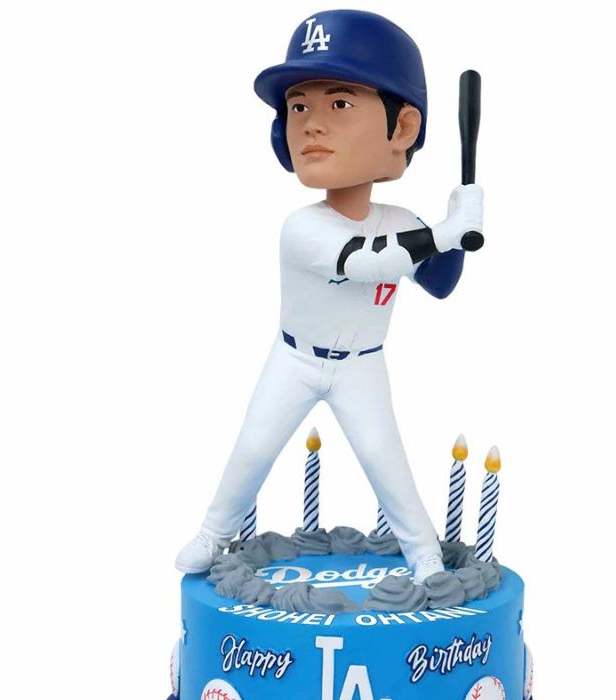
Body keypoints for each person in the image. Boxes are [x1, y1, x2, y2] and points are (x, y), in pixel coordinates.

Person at [175, 10, 483, 583]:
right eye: (298, 108)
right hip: (293, 359)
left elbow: (440, 283)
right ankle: (213, 535)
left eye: (339, 103)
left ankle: (424, 555)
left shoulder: (402, 221)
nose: (312, 125)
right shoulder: (303, 227)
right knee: (252, 449)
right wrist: (444, 232)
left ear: (402, 128)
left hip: (362, 366)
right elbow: (367, 260)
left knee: (386, 462)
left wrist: (463, 223)